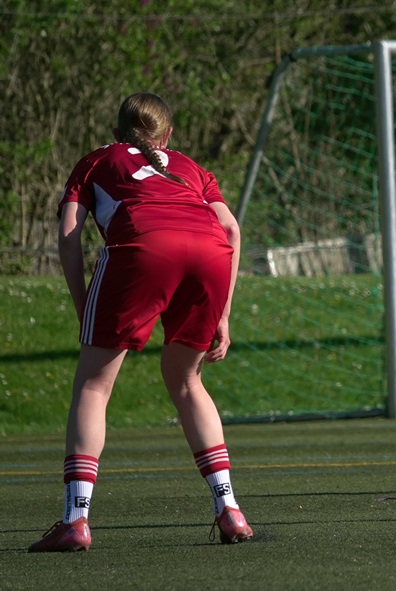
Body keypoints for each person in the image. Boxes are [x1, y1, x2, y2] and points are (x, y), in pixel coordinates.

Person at [28, 92, 253, 552]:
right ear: (167, 135)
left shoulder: (96, 161)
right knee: (187, 382)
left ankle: (75, 519)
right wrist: (224, 315)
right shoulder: (191, 167)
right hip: (210, 253)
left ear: (117, 134)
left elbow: (69, 234)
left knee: (94, 386)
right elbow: (231, 229)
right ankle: (229, 508)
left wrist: (83, 305)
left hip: (143, 247)